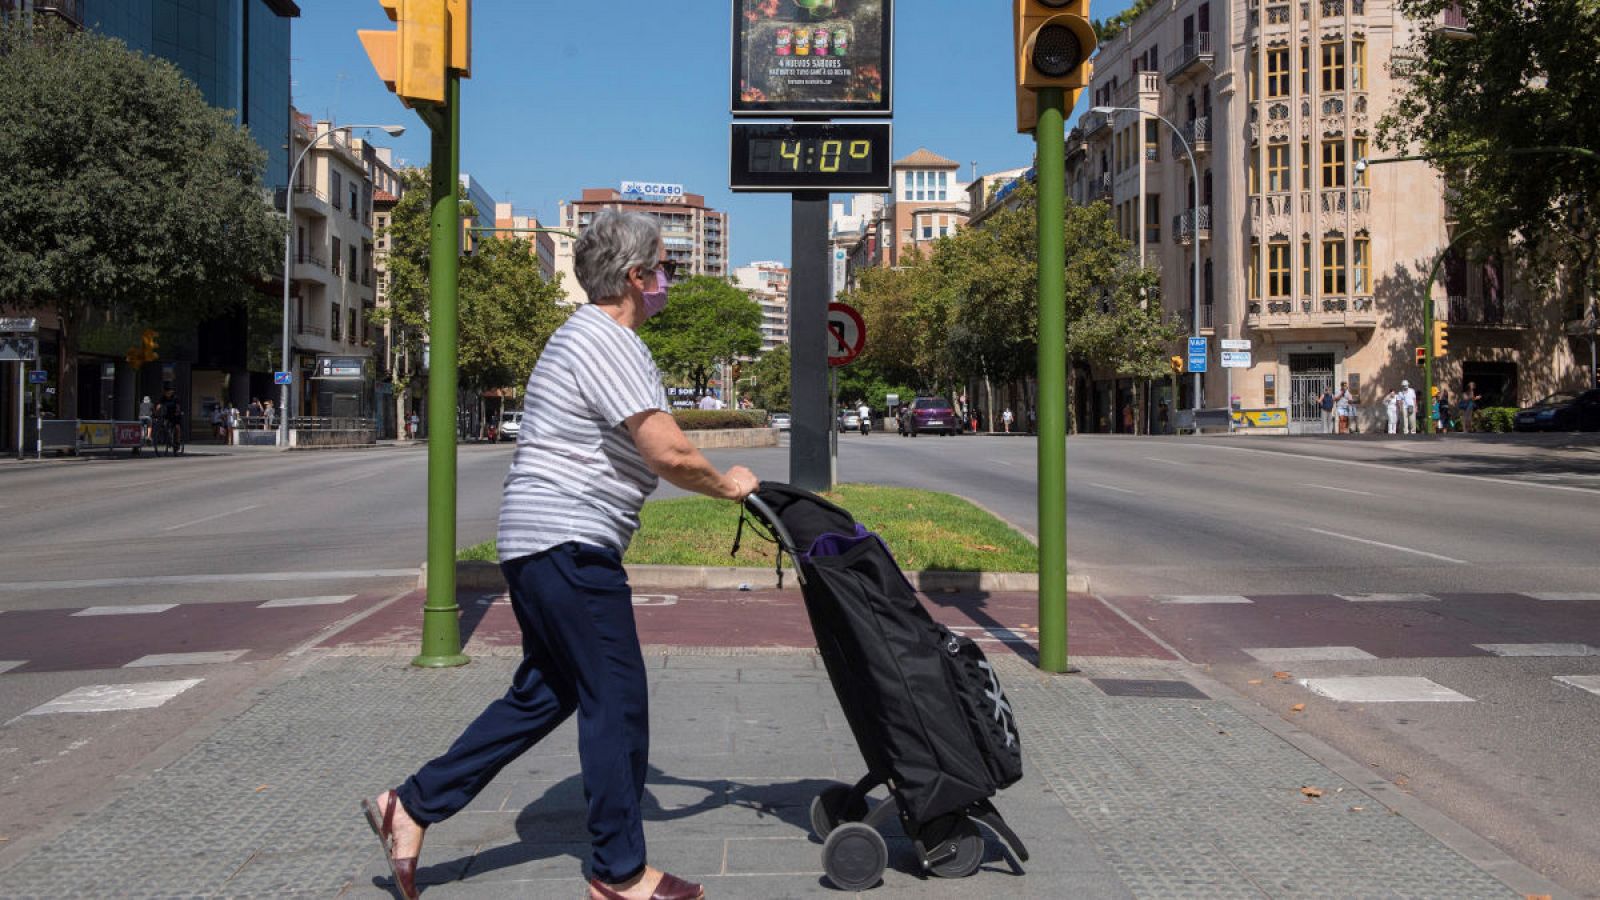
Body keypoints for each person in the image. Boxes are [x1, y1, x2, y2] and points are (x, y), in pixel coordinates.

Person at [362, 212, 750, 900]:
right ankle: (619, 871)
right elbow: (666, 449)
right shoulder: (607, 338)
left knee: (548, 692)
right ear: (635, 277)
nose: (666, 282)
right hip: (569, 541)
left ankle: (414, 804)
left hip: (538, 543)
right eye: (663, 269)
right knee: (618, 699)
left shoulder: (582, 338)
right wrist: (729, 488)